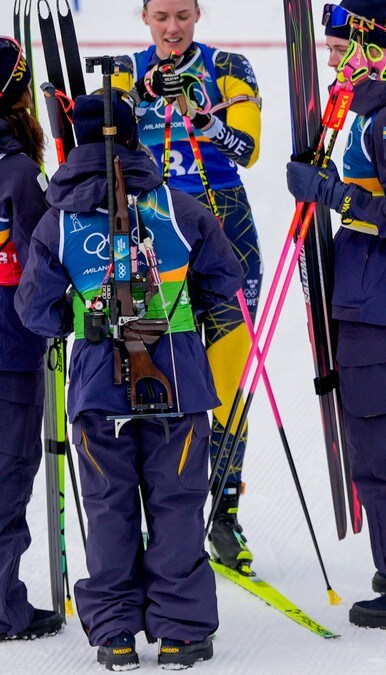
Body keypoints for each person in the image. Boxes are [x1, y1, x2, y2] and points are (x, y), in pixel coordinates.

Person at [16, 90, 242, 670]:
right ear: (135, 137)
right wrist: (180, 308)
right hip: (178, 383)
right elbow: (226, 277)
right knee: (177, 506)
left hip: (97, 389)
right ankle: (180, 633)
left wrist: (80, 318)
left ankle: (115, 633)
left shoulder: (58, 220)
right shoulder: (179, 206)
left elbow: (35, 310)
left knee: (109, 510)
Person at [284, 0, 386, 628]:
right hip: (375, 295)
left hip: (384, 302)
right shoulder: (379, 107)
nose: (329, 59)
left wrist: (328, 191)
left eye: (335, 46)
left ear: (368, 46)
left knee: (381, 443)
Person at [112, 0, 264, 574]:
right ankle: (164, 517)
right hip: (154, 226)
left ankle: (223, 514)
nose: (172, 28)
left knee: (228, 381)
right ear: (145, 18)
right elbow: (102, 141)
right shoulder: (125, 69)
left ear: (198, 13)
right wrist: (141, 94)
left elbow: (248, 150)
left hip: (224, 224)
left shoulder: (228, 67)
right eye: (161, 17)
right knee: (154, 375)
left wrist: (203, 118)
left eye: (182, 15)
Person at [0, 35, 62, 643]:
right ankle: (3, 610)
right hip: (9, 350)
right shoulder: (17, 171)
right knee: (8, 472)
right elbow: (42, 259)